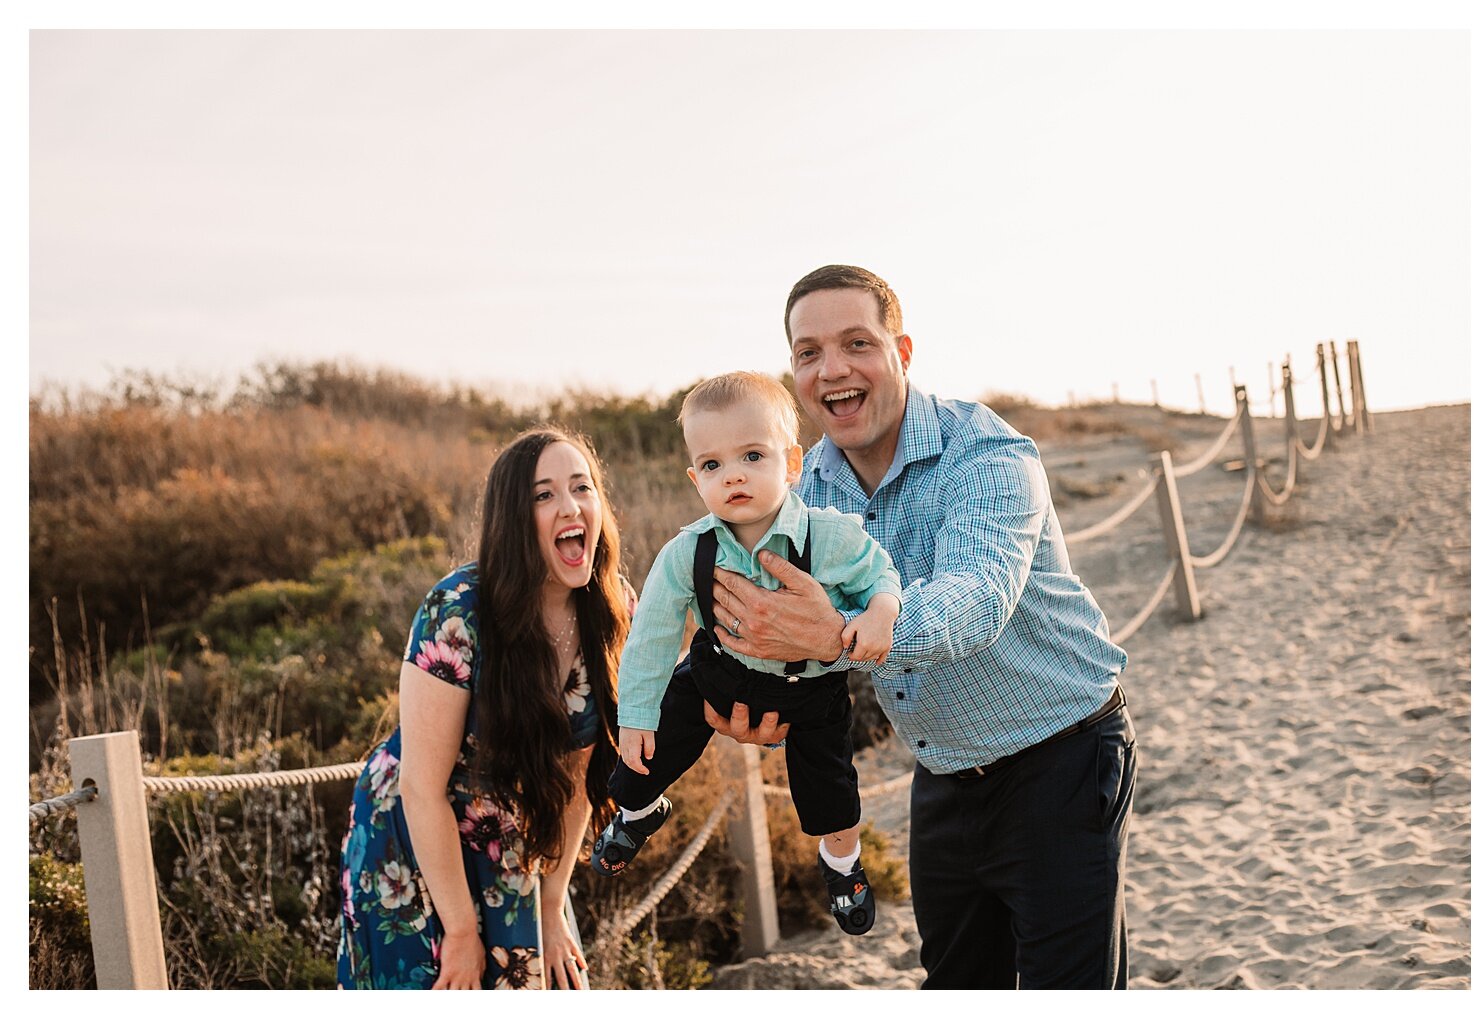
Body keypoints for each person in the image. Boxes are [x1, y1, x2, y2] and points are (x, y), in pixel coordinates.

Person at [705, 266, 1137, 989]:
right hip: (941, 772)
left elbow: (975, 597)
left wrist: (834, 634)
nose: (833, 369)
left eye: (856, 343)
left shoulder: (990, 456)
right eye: (809, 352)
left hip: (1061, 756)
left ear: (902, 352)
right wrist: (754, 690)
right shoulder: (802, 487)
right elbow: (752, 596)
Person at [589, 371, 901, 936]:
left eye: (752, 456)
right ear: (694, 478)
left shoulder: (829, 536)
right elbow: (653, 637)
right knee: (639, 760)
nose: (732, 474)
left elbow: (881, 577)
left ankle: (841, 864)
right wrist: (635, 715)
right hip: (718, 673)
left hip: (812, 689)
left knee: (831, 792)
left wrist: (879, 613)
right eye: (712, 465)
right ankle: (638, 812)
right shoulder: (689, 551)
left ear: (792, 462)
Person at [337, 428, 629, 990]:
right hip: (417, 843)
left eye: (581, 488)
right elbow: (421, 788)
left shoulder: (613, 611)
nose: (570, 506)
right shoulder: (457, 611)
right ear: (513, 519)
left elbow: (575, 780)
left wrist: (552, 899)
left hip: (521, 848)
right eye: (544, 495)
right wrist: (463, 932)